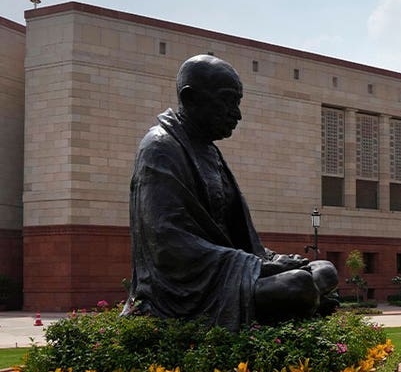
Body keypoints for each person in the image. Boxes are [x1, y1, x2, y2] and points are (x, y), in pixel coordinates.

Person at [125, 55, 339, 330]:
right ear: (191, 99)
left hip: (227, 271)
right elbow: (168, 244)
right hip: (187, 288)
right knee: (297, 285)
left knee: (324, 270)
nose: (236, 114)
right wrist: (257, 267)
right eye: (228, 101)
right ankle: (307, 301)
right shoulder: (160, 147)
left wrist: (273, 259)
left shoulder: (210, 152)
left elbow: (239, 240)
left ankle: (306, 300)